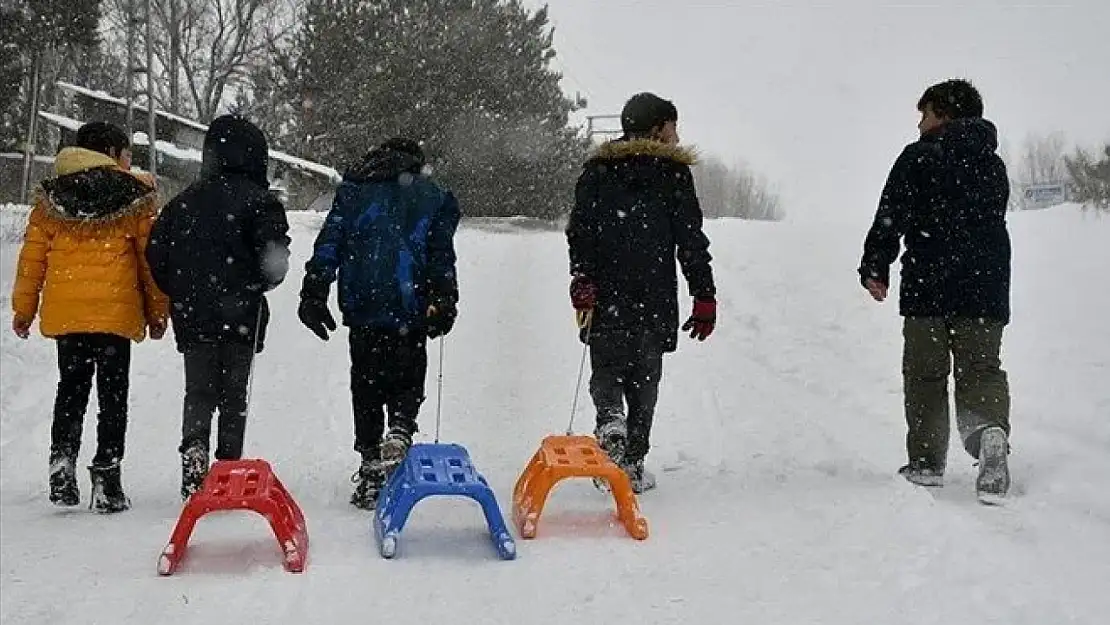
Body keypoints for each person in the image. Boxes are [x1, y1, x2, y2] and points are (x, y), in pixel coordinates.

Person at [858, 78, 1012, 504]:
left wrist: (876, 265)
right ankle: (990, 434)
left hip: (930, 284)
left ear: (944, 113)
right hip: (986, 287)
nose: (920, 124)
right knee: (981, 369)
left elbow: (891, 215)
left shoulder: (919, 157)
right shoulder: (992, 162)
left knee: (925, 374)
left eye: (925, 114)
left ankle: (926, 463)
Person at [10, 121, 168, 513]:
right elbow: (150, 262)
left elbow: (32, 260)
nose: (131, 160)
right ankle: (107, 477)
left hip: (69, 315)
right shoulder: (134, 195)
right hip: (115, 315)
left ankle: (62, 463)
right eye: (127, 153)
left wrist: (23, 309)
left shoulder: (52, 198)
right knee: (112, 398)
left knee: (72, 390)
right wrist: (158, 310)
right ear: (112, 154)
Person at [297, 137, 460, 510]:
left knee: (366, 381)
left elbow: (330, 242)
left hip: (364, 303)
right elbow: (440, 255)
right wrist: (444, 298)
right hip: (411, 303)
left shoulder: (354, 191)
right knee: (409, 371)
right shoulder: (431, 195)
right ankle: (401, 428)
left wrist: (314, 290)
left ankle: (371, 464)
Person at [565, 92, 716, 493]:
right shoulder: (673, 175)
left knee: (607, 368)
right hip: (654, 295)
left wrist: (582, 276)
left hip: (607, 294)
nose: (676, 134)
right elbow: (691, 241)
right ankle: (631, 461)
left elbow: (579, 230)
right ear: (656, 128)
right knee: (645, 379)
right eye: (672, 126)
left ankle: (610, 419)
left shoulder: (597, 172)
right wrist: (704, 295)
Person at [145, 114, 291, 500]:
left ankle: (194, 453)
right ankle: (227, 467)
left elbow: (156, 254)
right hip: (242, 314)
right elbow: (274, 262)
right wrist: (258, 284)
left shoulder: (184, 202)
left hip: (194, 314)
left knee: (198, 390)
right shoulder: (261, 203)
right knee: (233, 395)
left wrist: (181, 289)